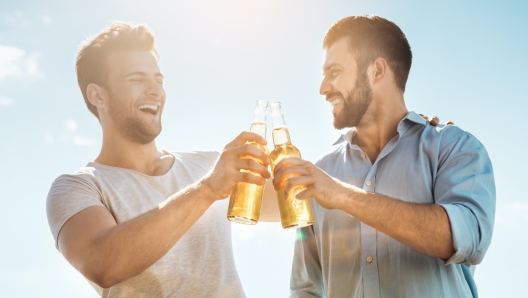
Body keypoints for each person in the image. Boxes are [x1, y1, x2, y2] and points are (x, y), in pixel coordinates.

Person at [45, 22, 279, 297]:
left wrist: (308, 180)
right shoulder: (77, 188)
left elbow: (307, 208)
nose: (156, 91)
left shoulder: (210, 166)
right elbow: (103, 264)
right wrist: (207, 190)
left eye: (159, 80)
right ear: (98, 95)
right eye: (136, 79)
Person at [273, 15, 495, 297]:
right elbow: (306, 288)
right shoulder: (321, 172)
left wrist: (342, 195)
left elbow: (462, 239)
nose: (323, 88)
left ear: (377, 70)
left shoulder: (453, 147)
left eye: (335, 71)